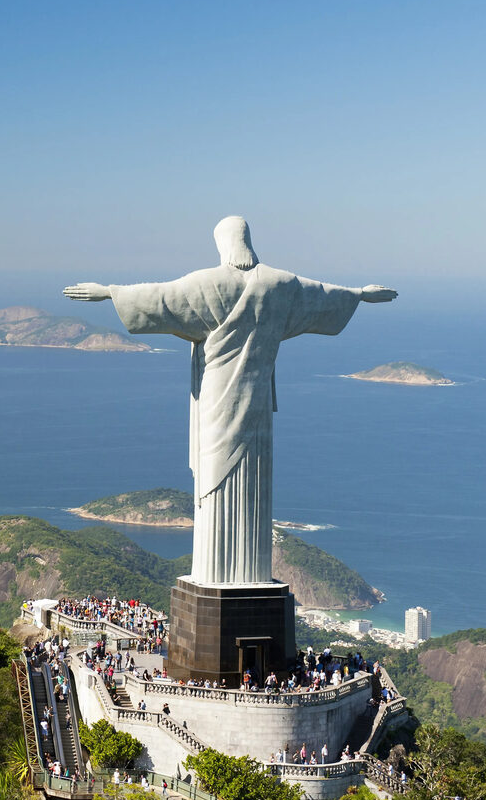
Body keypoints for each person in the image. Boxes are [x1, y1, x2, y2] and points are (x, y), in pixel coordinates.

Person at [64, 218, 395, 586]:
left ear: (222, 244)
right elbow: (321, 295)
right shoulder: (280, 284)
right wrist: (360, 294)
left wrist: (110, 292)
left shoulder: (208, 283)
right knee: (252, 477)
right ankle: (247, 574)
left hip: (217, 397)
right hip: (256, 403)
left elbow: (160, 297)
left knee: (213, 475)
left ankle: (214, 573)